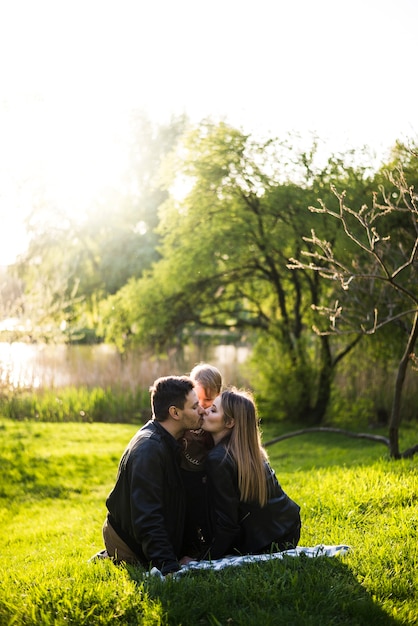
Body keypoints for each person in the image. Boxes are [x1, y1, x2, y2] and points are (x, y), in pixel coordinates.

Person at [102, 375, 205, 575]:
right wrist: (168, 566)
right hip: (130, 545)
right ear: (174, 412)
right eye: (194, 407)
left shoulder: (170, 440)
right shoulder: (149, 449)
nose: (201, 410)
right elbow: (147, 516)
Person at [201, 388, 301, 559]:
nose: (204, 410)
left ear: (229, 422)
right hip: (289, 530)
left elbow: (228, 523)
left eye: (213, 410)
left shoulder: (218, 459)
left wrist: (204, 558)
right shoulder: (249, 452)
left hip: (267, 542)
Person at [178, 363, 223, 556]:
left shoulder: (213, 418)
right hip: (184, 474)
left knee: (205, 511)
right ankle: (189, 545)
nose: (203, 405)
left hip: (205, 475)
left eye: (209, 400)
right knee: (186, 512)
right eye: (199, 399)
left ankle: (208, 542)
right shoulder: (187, 415)